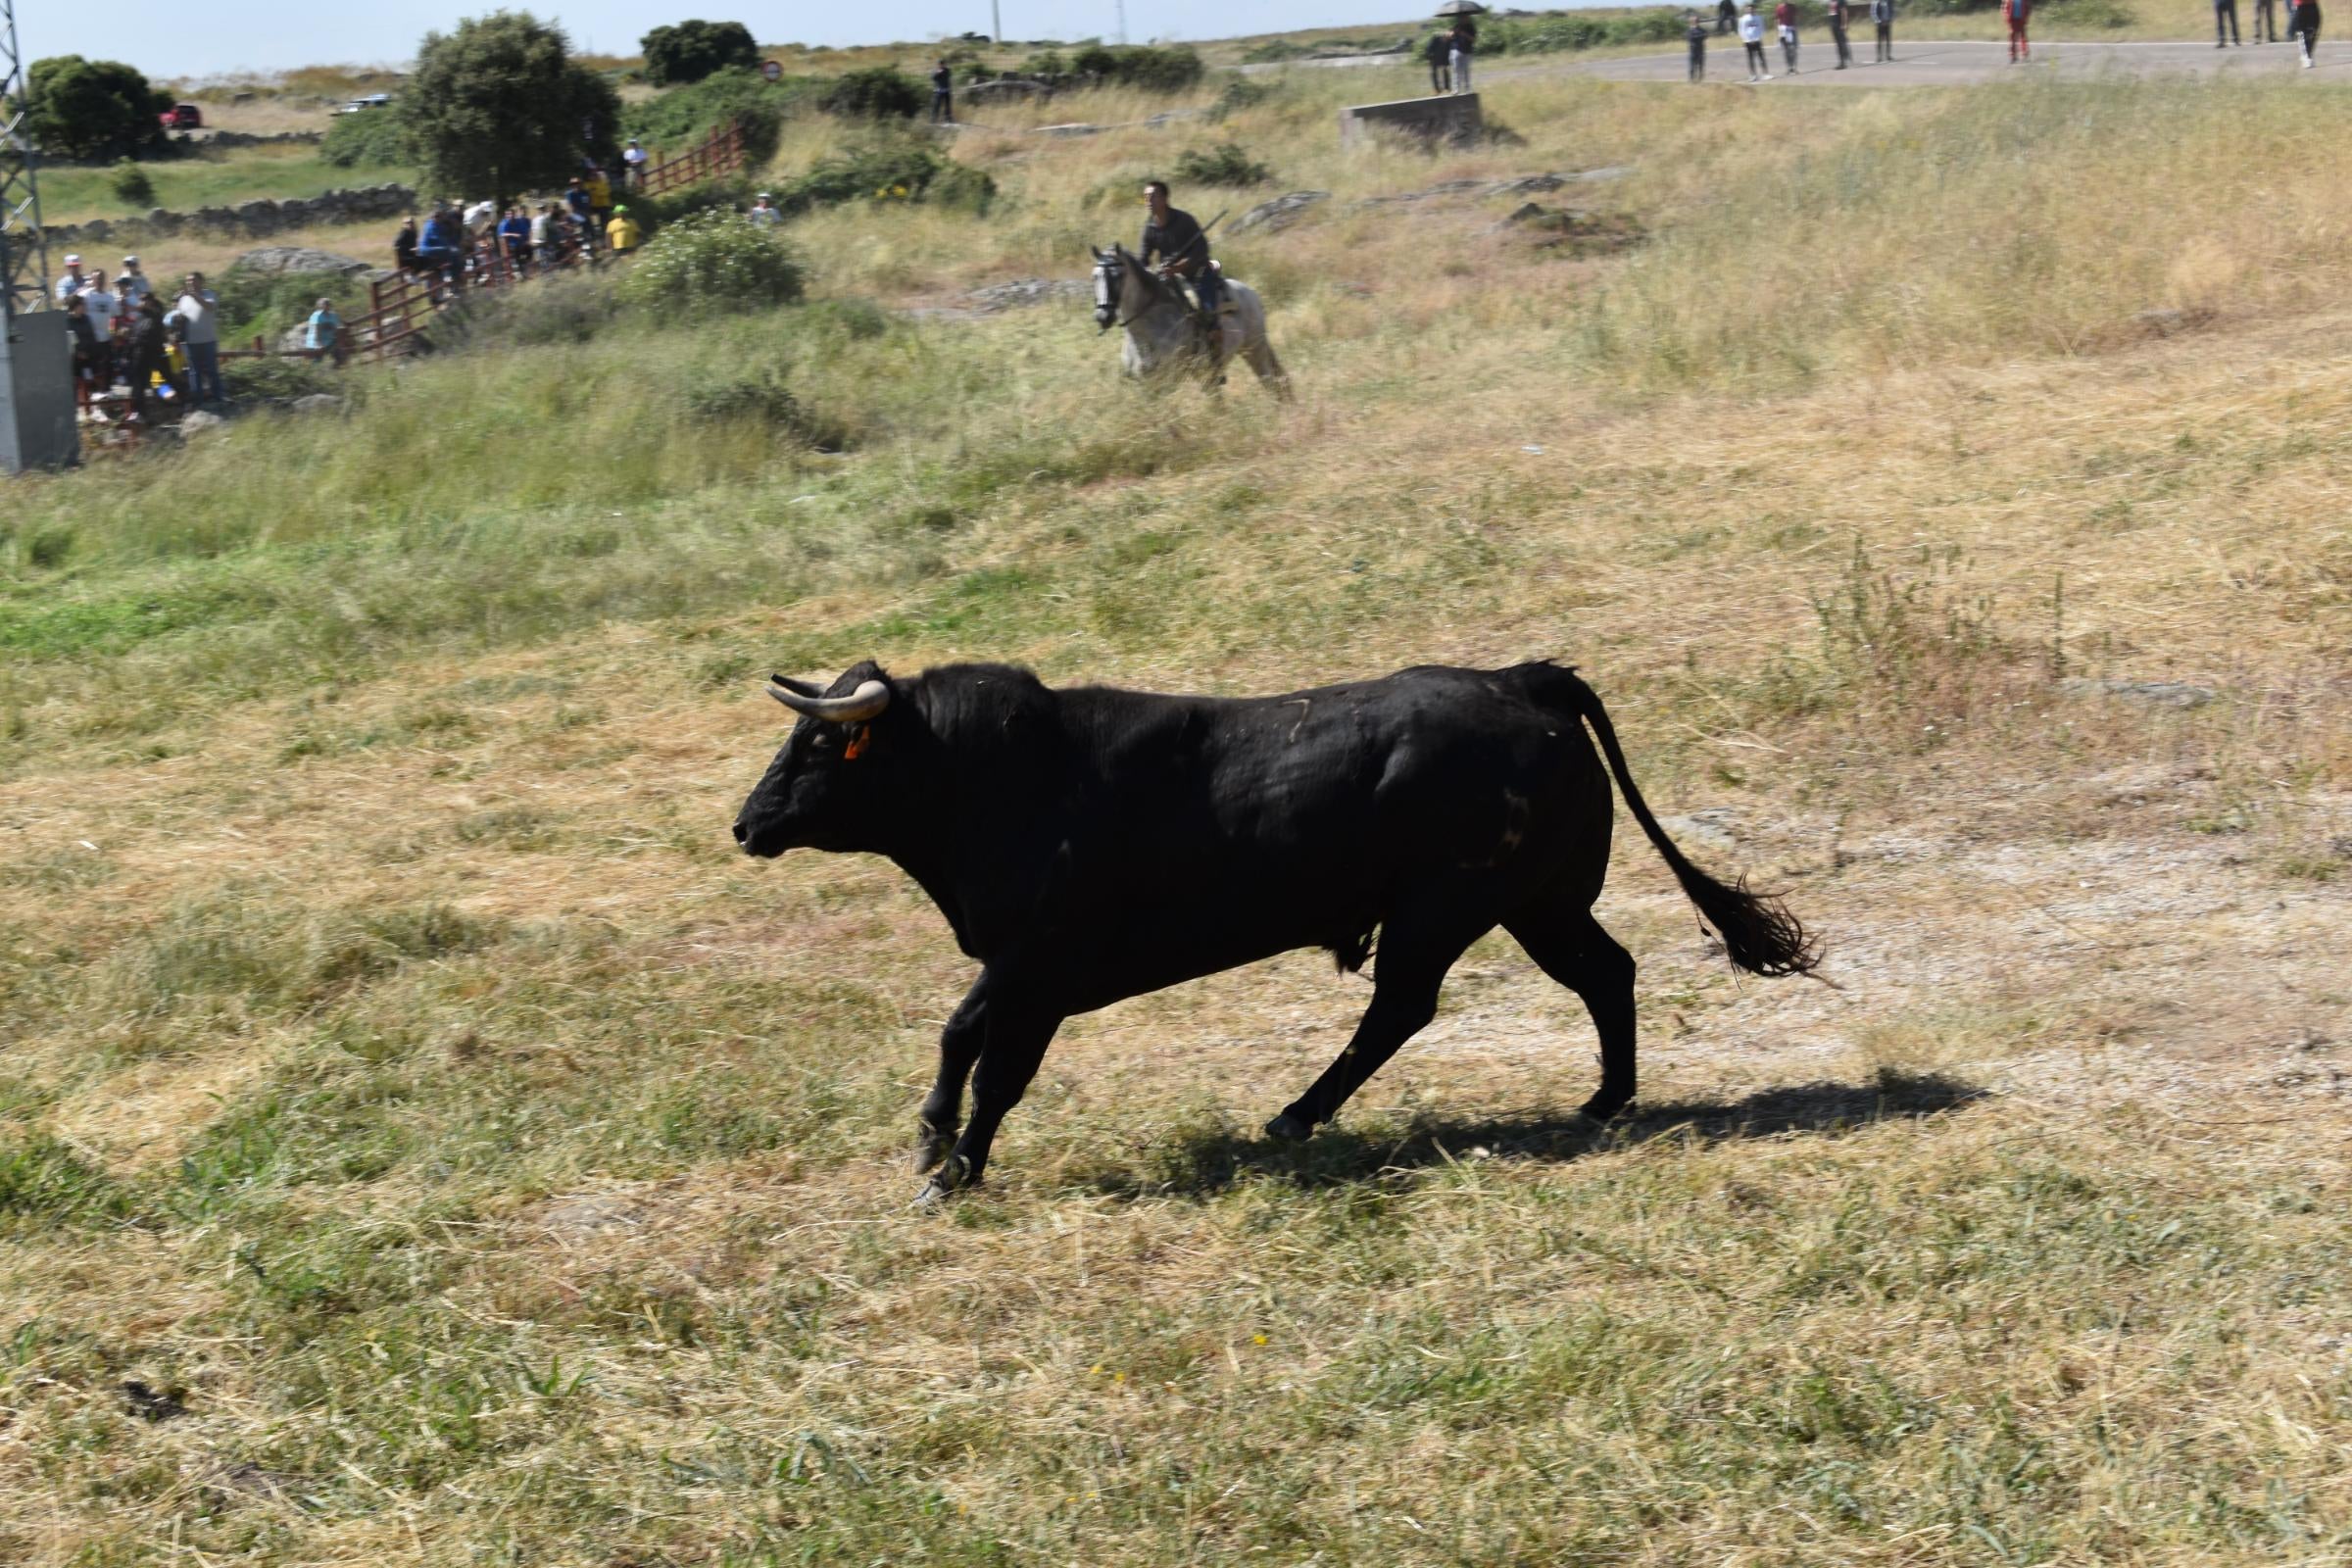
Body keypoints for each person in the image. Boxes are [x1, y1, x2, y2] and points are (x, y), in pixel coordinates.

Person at [1140, 178, 1223, 321]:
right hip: (1169, 277)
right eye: (1146, 197)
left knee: (1207, 312)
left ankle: (1215, 334)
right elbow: (1143, 258)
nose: (1148, 200)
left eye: (1153, 196)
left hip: (1197, 273)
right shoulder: (1149, 228)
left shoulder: (1184, 220)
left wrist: (1178, 267)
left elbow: (1202, 249)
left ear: (1165, 198)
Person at [125, 293, 176, 422]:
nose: (140, 302)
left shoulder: (154, 317)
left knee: (158, 382)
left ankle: (171, 403)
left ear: (150, 302)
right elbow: (134, 337)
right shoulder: (140, 318)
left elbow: (152, 338)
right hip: (141, 357)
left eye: (143, 300)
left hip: (152, 356)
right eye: (140, 300)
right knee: (142, 385)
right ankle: (141, 413)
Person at [175, 272, 223, 405]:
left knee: (212, 370)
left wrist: (194, 295)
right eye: (187, 281)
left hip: (208, 339)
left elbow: (209, 307)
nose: (190, 283)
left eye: (193, 280)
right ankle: (198, 400)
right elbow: (179, 317)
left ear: (201, 281)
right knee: (194, 372)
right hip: (190, 341)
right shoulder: (183, 299)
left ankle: (218, 397)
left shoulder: (210, 294)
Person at [64, 295, 101, 416]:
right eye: (82, 305)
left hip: (89, 356)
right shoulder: (66, 321)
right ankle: (73, 411)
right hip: (74, 359)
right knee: (73, 384)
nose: (85, 307)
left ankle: (95, 409)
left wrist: (94, 352)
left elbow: (92, 336)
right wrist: (77, 353)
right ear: (74, 306)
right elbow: (67, 340)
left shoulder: (87, 319)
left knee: (92, 382)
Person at [79, 270, 121, 355]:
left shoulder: (110, 297)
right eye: (97, 279)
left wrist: (112, 334)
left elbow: (114, 318)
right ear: (92, 280)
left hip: (106, 339)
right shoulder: (85, 295)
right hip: (90, 340)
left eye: (101, 279)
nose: (99, 281)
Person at [304, 296, 347, 368]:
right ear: (320, 306)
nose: (326, 305)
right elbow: (316, 330)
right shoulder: (316, 316)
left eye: (328, 304)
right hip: (316, 341)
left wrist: (339, 336)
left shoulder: (333, 315)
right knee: (317, 359)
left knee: (339, 354)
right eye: (324, 304)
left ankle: (336, 368)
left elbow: (337, 327)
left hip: (329, 340)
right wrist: (319, 343)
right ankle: (314, 371)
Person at [498, 205, 532, 274]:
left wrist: (526, 238)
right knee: (518, 249)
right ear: (505, 215)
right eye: (508, 214)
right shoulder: (505, 223)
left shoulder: (518, 221)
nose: (509, 215)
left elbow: (524, 231)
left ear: (514, 214)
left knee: (529, 248)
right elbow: (502, 234)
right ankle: (521, 269)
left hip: (520, 242)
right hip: (510, 244)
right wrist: (513, 234)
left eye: (511, 214)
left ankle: (526, 265)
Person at [1740, 1, 1772, 75]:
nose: (1751, 10)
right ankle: (1753, 75)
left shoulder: (1759, 18)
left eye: (1752, 9)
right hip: (1748, 41)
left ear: (1755, 9)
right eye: (1749, 9)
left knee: (1761, 58)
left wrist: (1759, 37)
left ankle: (1765, 74)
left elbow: (1762, 28)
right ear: (1746, 9)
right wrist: (1746, 39)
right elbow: (1742, 30)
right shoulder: (1743, 19)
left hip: (1757, 40)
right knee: (1751, 59)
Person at [584, 167, 613, 243]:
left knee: (604, 220)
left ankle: (607, 235)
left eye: (594, 175)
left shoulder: (602, 182)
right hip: (593, 205)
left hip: (603, 204)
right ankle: (595, 236)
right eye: (591, 175)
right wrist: (596, 192)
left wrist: (596, 192)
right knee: (592, 220)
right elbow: (587, 190)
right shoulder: (587, 184)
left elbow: (607, 192)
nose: (593, 177)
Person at [1449, 18, 1476, 93]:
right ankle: (1456, 89)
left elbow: (1473, 39)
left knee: (1466, 71)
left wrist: (1465, 34)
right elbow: (1449, 36)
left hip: (1467, 52)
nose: (1463, 19)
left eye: (1465, 17)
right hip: (1457, 51)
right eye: (1462, 18)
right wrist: (1453, 32)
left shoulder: (1471, 27)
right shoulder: (1456, 26)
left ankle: (1467, 89)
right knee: (1456, 70)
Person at [1775, 0, 1801, 71]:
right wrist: (1778, 30)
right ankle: (1789, 67)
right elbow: (1777, 19)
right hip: (1783, 30)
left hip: (1792, 29)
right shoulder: (1779, 8)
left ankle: (1794, 66)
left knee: (1793, 49)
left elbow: (1796, 17)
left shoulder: (1792, 6)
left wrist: (1797, 27)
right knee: (1786, 50)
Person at [1827, 0, 1855, 66]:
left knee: (1842, 43)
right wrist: (1830, 25)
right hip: (1833, 25)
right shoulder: (1830, 2)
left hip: (1840, 25)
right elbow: (1830, 14)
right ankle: (1843, 59)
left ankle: (1843, 62)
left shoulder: (1841, 1)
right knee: (1838, 44)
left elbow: (1844, 12)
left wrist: (1844, 24)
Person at [1688, 11, 1710, 78]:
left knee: (1701, 66)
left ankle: (1700, 78)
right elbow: (1690, 38)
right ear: (1692, 22)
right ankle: (1692, 79)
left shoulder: (1702, 29)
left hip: (1700, 50)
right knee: (1692, 66)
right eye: (1694, 21)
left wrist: (1697, 36)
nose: (1696, 22)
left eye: (1697, 20)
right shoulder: (1689, 30)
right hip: (1693, 50)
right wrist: (1699, 36)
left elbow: (1706, 35)